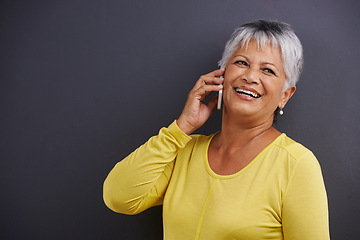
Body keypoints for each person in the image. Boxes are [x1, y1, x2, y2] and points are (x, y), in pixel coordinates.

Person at [103, 20, 330, 239]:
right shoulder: (183, 151)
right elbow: (118, 197)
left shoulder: (296, 164)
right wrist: (182, 128)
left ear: (285, 95)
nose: (250, 77)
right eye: (241, 63)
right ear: (221, 75)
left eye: (268, 70)